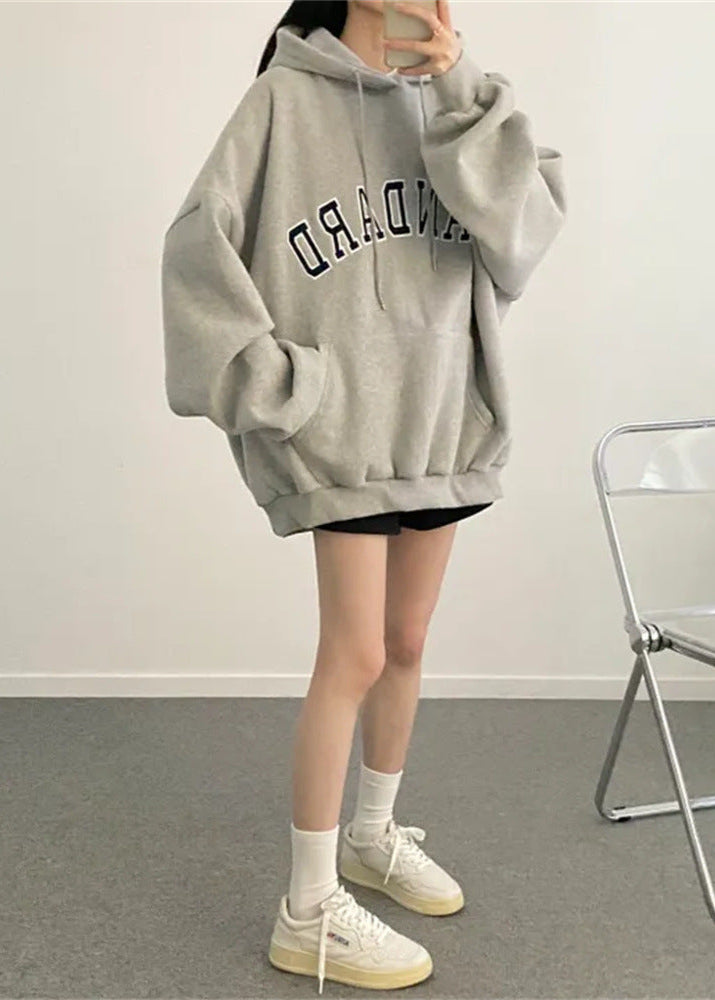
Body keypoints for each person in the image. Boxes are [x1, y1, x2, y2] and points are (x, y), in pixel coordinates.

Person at [161, 0, 566, 992]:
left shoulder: (463, 98)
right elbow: (196, 251)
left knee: (406, 644)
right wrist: (281, 389)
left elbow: (523, 235)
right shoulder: (282, 100)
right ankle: (305, 910)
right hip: (342, 441)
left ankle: (373, 836)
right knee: (354, 654)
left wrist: (459, 85)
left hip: (441, 424)